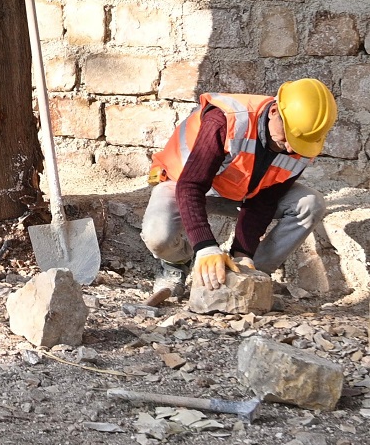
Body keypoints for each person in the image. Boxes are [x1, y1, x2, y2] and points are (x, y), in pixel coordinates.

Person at [143, 78, 337, 298]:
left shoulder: (304, 144)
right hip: (182, 184)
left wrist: (243, 254)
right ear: (274, 111)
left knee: (311, 204)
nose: (293, 147)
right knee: (158, 235)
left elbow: (264, 199)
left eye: (300, 142)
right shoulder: (226, 120)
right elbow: (191, 186)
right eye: (289, 137)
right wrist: (206, 247)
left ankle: (251, 276)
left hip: (240, 192)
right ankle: (176, 264)